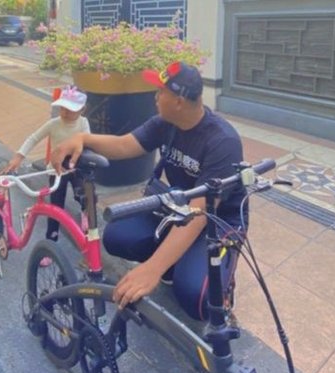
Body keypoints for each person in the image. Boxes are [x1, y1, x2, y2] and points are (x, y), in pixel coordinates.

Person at [50, 62, 247, 323]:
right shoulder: (166, 123)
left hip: (216, 221)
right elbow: (123, 146)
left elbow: (199, 212)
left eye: (160, 92)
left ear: (178, 101)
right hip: (176, 208)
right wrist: (83, 140)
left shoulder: (223, 141)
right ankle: (175, 261)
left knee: (196, 299)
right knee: (117, 237)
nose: (155, 97)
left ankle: (220, 283)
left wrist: (152, 270)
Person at [3, 85, 90, 266]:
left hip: (76, 168)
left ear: (82, 109)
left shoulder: (83, 123)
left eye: (70, 110)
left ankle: (85, 214)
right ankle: (51, 243)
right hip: (56, 171)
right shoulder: (54, 124)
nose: (64, 113)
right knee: (55, 208)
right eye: (62, 108)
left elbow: (88, 142)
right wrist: (19, 156)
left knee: (84, 195)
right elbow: (33, 138)